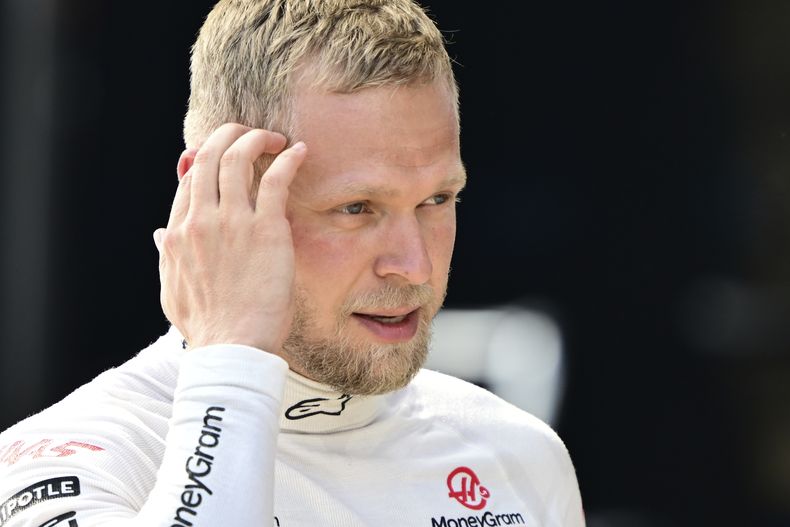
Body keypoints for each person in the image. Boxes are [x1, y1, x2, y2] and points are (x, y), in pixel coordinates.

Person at [0, 0, 585, 525]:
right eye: (356, 208)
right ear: (215, 195)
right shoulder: (69, 462)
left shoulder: (518, 456)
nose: (415, 266)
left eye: (437, 200)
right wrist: (232, 350)